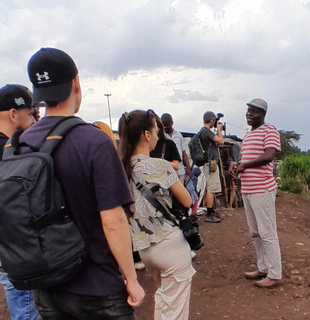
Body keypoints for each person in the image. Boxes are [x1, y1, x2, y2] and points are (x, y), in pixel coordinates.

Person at [23, 47, 144, 319]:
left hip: (47, 286)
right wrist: (131, 278)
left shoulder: (20, 144)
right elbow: (113, 221)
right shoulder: (94, 141)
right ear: (76, 82)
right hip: (97, 285)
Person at [118, 109, 195, 320]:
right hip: (169, 243)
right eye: (155, 129)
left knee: (163, 297)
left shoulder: (120, 168)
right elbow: (187, 200)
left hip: (144, 249)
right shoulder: (159, 166)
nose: (158, 134)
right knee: (175, 310)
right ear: (146, 134)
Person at [229, 98, 282, 288]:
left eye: (255, 111)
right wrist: (237, 167)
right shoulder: (248, 135)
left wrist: (244, 165)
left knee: (267, 232)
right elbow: (246, 160)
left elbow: (269, 156)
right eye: (248, 111)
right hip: (249, 189)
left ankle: (275, 274)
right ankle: (263, 268)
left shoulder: (270, 131)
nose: (250, 114)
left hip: (262, 188)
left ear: (263, 114)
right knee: (255, 233)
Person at [0, 84, 40, 320]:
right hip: (17, 253)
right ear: (14, 114)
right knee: (26, 313)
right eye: (31, 112)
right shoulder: (9, 152)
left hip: (7, 251)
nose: (35, 118)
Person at [199, 111, 224, 223]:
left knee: (211, 188)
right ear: (211, 120)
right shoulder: (207, 132)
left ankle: (211, 211)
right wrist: (219, 130)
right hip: (211, 164)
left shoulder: (202, 132)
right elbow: (221, 141)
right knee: (211, 188)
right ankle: (209, 214)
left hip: (208, 164)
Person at [161, 113, 192, 184]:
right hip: (167, 171)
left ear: (172, 123)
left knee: (181, 193)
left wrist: (188, 168)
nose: (166, 128)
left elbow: (183, 152)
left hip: (180, 170)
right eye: (164, 126)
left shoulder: (178, 135)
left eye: (167, 126)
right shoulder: (161, 137)